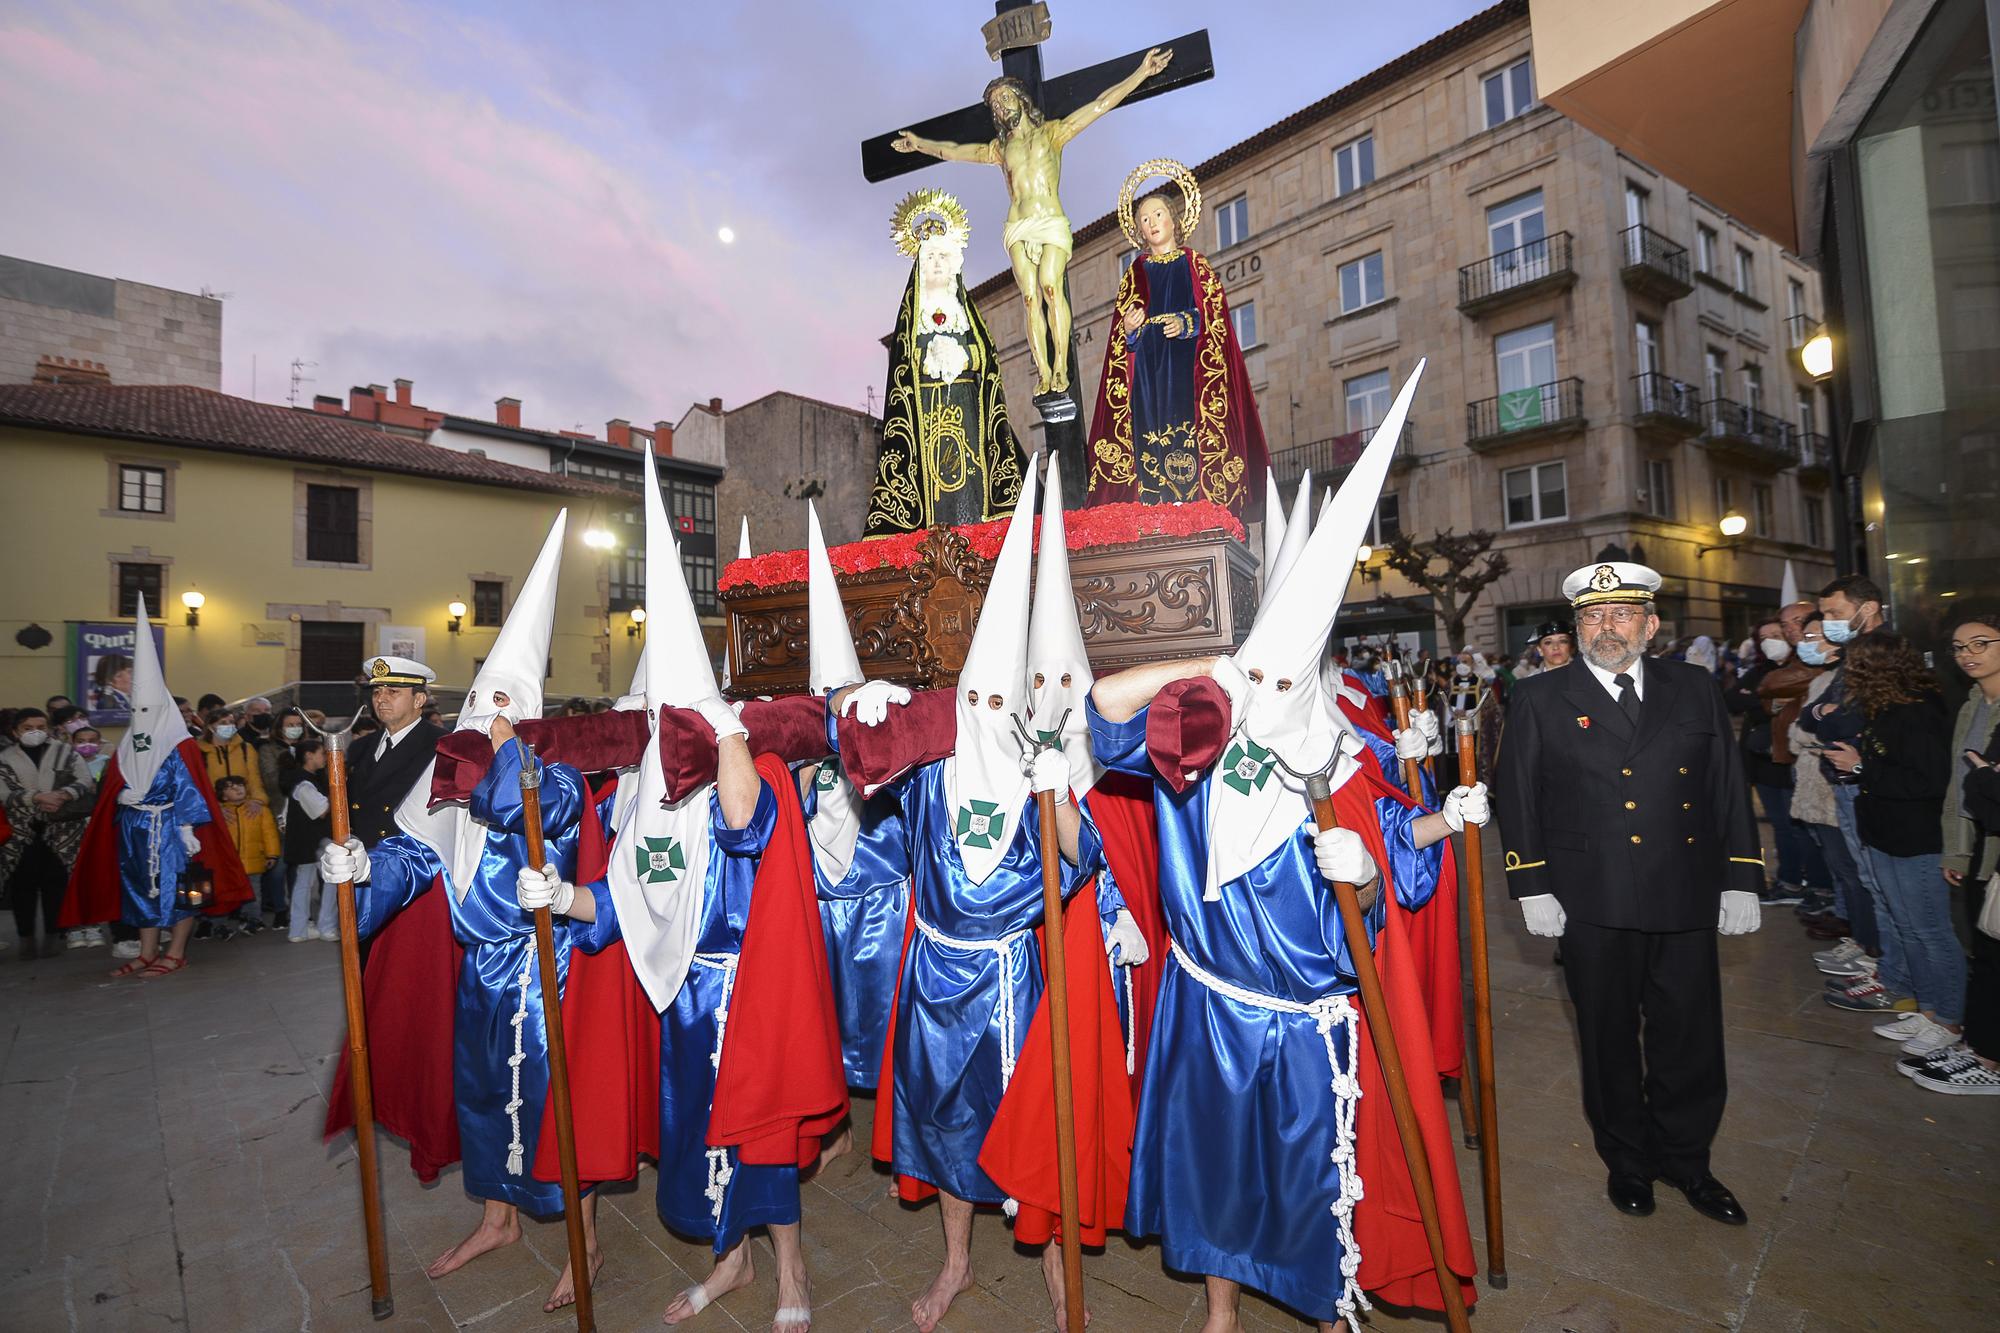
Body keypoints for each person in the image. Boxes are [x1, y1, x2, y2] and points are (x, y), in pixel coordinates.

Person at [1087, 371, 1478, 1332]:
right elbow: (1102, 710)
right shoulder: (1194, 743)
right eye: (1258, 668)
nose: (1269, 683)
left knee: (1312, 1172)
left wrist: (1391, 860)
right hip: (1209, 1001)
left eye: (1283, 671)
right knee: (1217, 1171)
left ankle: (1321, 1300)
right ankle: (1220, 1310)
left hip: (1310, 1020)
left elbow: (1389, 877)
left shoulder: (1341, 759)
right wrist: (1211, 663)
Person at [838, 470, 1108, 1332]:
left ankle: (1058, 1274)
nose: (989, 711)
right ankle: (955, 1259)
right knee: (948, 1121)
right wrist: (862, 708)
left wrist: (1060, 789)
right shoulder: (930, 777)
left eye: (1003, 700)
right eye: (976, 699)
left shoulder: (1040, 773)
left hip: (1016, 980)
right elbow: (864, 775)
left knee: (1038, 1121)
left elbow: (1089, 858)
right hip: (933, 976)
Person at [318, 515, 604, 1311]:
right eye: (482, 700)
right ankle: (497, 1218)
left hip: (546, 967)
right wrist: (363, 865)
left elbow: (534, 811)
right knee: (482, 1095)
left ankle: (586, 1244)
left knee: (558, 1104)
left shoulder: (558, 777)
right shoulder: (451, 776)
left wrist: (512, 749)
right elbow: (417, 853)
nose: (490, 714)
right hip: (478, 967)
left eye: (505, 703)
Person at [1495, 560, 1763, 1226]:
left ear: (1650, 624)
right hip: (1593, 896)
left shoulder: (1693, 686)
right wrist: (1532, 884)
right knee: (1608, 1035)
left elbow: (1727, 783)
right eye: (1590, 616)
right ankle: (1629, 1160)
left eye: (1618, 615)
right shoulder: (1539, 697)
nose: (1603, 627)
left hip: (1685, 888)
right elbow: (1519, 797)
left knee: (1691, 1035)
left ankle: (1689, 1160)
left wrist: (1742, 876)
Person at [891, 46, 1173, 399]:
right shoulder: (999, 149)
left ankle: (1060, 367)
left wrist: (1142, 73)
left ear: (1021, 99)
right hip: (1019, 225)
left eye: (1005, 97)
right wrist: (921, 145)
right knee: (1029, 297)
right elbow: (954, 151)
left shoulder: (1053, 134)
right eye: (994, 104)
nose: (1000, 106)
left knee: (1050, 287)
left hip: (1050, 220)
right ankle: (1043, 371)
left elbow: (1101, 104)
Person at [1084, 170, 1269, 518]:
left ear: (1174, 220)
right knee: (1149, 437)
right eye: (1144, 219)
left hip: (1189, 369)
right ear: (1138, 230)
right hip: (1148, 376)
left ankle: (1196, 508)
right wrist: (1130, 327)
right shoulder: (1135, 272)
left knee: (1188, 435)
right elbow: (1121, 337)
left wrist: (1187, 322)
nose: (1151, 223)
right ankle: (1154, 509)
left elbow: (1215, 318)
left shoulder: (1196, 265)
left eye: (1158, 215)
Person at [1820, 633, 1964, 1060]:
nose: (1850, 676)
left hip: (1915, 839)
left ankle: (1950, 1019)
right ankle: (1928, 1007)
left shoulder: (1917, 712)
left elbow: (1928, 781)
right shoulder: (1885, 709)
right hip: (1885, 832)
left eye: (1856, 667)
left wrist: (1860, 765)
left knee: (1931, 931)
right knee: (1906, 927)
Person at [863, 189, 1024, 536]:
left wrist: (963, 356)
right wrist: (926, 357)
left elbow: (987, 358)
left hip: (966, 410)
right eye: (929, 256)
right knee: (935, 491)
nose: (936, 262)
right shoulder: (912, 317)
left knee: (970, 486)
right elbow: (902, 370)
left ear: (953, 262)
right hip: (926, 419)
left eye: (942, 255)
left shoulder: (964, 312)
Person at [1801, 575, 1907, 1013]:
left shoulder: (1883, 653)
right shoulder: (1851, 654)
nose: (1827, 623)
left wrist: (1828, 716)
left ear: (1868, 608)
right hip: (1846, 780)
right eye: (1824, 614)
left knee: (1883, 887)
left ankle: (1892, 973)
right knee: (1869, 881)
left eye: (1834, 613)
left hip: (1869, 780)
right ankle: (1881, 962)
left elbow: (1845, 721)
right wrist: (1826, 714)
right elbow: (1814, 717)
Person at [1725, 617, 1811, 907]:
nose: (1771, 640)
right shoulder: (1760, 670)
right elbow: (1733, 698)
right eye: (1764, 637)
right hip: (1761, 761)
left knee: (1795, 825)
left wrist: (1762, 701)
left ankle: (1801, 880)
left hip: (1788, 758)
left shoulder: (1803, 667)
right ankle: (1790, 880)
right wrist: (1767, 703)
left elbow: (1798, 704)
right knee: (1780, 825)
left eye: (1777, 633)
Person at [0, 708, 96, 958]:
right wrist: (38, 797)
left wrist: (62, 795)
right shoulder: (5, 757)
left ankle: (56, 934)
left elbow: (84, 780)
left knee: (57, 882)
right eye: (28, 728)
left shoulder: (66, 752)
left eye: (41, 727)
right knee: (23, 886)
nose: (36, 732)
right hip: (22, 833)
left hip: (62, 830)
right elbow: (4, 792)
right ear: (15, 731)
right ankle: (26, 937)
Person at [283, 737, 335, 942]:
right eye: (322, 753)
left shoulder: (307, 780)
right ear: (309, 755)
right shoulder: (303, 783)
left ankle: (300, 928)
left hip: (309, 840)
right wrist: (337, 794)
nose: (325, 758)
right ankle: (322, 926)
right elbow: (321, 810)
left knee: (305, 883)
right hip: (311, 840)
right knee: (328, 880)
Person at [213, 775, 281, 917]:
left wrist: (272, 854)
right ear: (223, 797)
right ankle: (223, 921)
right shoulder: (221, 814)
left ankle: (253, 918)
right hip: (229, 863)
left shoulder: (260, 810)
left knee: (253, 891)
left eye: (240, 785)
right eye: (230, 788)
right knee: (225, 892)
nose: (237, 788)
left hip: (254, 859)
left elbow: (269, 833)